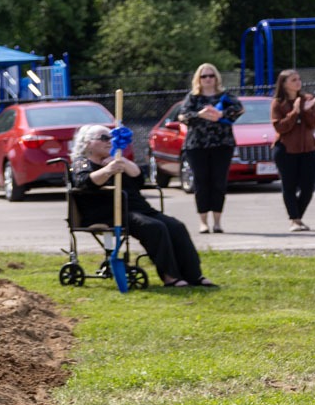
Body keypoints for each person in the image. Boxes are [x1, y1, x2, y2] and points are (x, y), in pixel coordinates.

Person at [67, 123, 212, 286]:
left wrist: (121, 161)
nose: (110, 141)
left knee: (176, 226)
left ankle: (194, 276)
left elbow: (138, 179)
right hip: (108, 213)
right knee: (154, 227)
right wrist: (108, 170)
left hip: (138, 208)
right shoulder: (81, 163)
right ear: (87, 143)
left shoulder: (115, 160)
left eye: (112, 138)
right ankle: (170, 276)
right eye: (104, 138)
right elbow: (83, 182)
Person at [164, 63, 244, 233]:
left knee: (218, 182)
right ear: (198, 79)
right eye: (204, 76)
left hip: (222, 144)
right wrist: (200, 114)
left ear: (216, 78)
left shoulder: (225, 96)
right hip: (197, 146)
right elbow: (182, 116)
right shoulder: (193, 97)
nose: (208, 79)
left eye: (211, 76)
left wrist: (221, 114)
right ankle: (203, 222)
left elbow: (239, 109)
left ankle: (217, 221)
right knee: (201, 182)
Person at [271, 68, 315, 232]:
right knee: (289, 186)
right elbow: (280, 127)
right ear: (284, 84)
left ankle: (297, 217)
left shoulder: (308, 99)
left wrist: (306, 110)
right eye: (293, 80)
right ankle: (295, 220)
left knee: (308, 188)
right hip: (286, 150)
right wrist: (294, 111)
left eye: (298, 79)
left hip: (308, 149)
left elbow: (313, 124)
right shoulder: (278, 103)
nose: (298, 82)